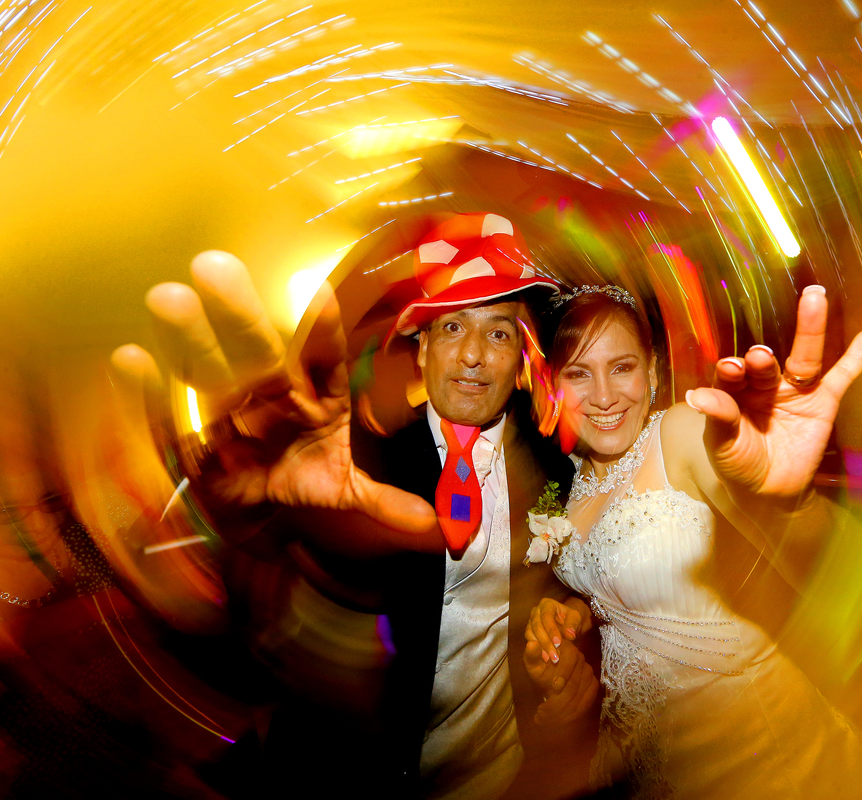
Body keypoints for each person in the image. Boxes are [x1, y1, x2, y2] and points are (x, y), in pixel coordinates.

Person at [117, 212, 600, 799]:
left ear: (521, 351)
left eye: (497, 333)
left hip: (514, 774)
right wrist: (253, 520)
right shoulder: (363, 467)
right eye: (452, 328)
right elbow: (304, 574)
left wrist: (570, 619)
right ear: (422, 349)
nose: (473, 354)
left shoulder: (556, 459)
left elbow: (564, 573)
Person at [524, 284, 862, 799]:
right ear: (555, 385)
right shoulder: (572, 479)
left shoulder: (680, 433)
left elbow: (828, 566)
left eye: (622, 367)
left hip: (751, 746)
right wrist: (576, 611)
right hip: (642, 749)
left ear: (652, 373)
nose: (603, 396)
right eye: (579, 373)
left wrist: (790, 506)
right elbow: (618, 582)